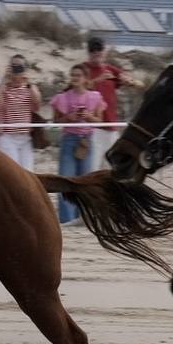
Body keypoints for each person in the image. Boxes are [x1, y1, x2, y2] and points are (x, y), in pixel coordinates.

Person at [49, 64, 105, 224]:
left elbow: (99, 121)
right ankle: (67, 219)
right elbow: (55, 121)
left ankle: (84, 218)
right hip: (69, 139)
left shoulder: (95, 97)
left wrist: (88, 116)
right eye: (73, 75)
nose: (75, 78)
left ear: (85, 78)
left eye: (78, 75)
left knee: (86, 181)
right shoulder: (63, 97)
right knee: (66, 180)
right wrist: (68, 118)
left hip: (87, 140)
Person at [79, 36, 140, 168]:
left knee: (110, 168)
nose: (96, 52)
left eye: (99, 48)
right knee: (91, 168)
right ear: (88, 52)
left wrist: (129, 81)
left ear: (104, 50)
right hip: (92, 128)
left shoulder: (111, 69)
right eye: (92, 49)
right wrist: (98, 80)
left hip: (111, 126)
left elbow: (137, 83)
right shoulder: (83, 69)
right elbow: (77, 88)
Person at [0, 54, 41, 171]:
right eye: (15, 66)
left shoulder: (29, 87)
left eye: (20, 66)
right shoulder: (4, 88)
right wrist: (4, 79)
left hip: (25, 137)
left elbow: (37, 104)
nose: (17, 68)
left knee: (28, 172)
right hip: (8, 136)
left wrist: (28, 82)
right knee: (12, 172)